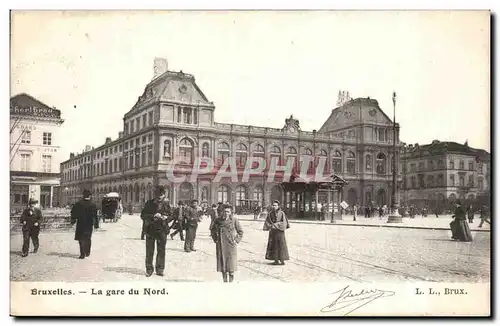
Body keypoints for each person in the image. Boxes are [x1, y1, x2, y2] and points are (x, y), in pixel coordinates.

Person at [140, 186, 173, 277]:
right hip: (151, 230)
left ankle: (160, 269)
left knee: (161, 250)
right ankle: (149, 269)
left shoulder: (167, 204)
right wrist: (153, 216)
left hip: (162, 230)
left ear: (164, 195)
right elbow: (143, 215)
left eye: (161, 195)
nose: (160, 197)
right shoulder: (149, 203)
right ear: (155, 195)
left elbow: (171, 216)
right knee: (150, 251)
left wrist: (166, 218)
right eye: (158, 195)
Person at [209, 205, 244, 283]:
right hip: (221, 245)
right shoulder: (217, 220)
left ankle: (231, 282)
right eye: (224, 212)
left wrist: (236, 240)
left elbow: (240, 232)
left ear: (231, 212)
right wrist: (216, 240)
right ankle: (225, 282)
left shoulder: (234, 220)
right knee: (223, 266)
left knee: (231, 266)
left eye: (228, 212)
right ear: (222, 212)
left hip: (231, 245)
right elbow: (212, 230)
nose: (226, 213)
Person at [71, 190, 99, 259]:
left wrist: (73, 221)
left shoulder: (78, 204)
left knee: (81, 239)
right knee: (88, 238)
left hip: (80, 223)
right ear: (90, 196)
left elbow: (73, 213)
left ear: (83, 195)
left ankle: (82, 253)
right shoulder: (93, 205)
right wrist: (96, 224)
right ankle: (87, 252)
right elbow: (95, 216)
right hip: (89, 224)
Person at [263, 200, 290, 265]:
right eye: (273, 205)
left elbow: (284, 222)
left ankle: (282, 260)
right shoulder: (270, 213)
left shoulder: (282, 213)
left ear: (278, 206)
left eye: (275, 205)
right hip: (273, 232)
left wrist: (276, 225)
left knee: (281, 245)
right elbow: (267, 222)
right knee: (274, 246)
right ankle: (276, 260)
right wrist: (270, 226)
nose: (274, 206)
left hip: (280, 232)